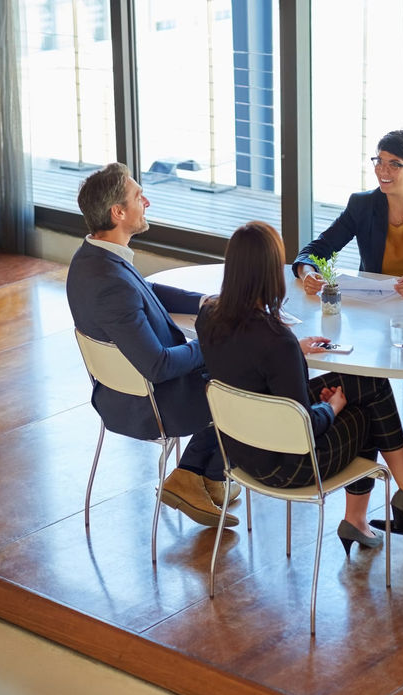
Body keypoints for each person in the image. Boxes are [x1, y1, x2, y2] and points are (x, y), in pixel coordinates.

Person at [196, 221, 403, 552]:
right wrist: (331, 408)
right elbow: (303, 429)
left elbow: (246, 368)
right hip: (290, 465)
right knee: (368, 404)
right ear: (271, 272)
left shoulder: (210, 316)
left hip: (241, 452)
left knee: (365, 382)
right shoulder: (276, 341)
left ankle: (368, 517)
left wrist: (297, 351)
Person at [67, 162, 239, 529]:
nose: (147, 200)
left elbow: (150, 293)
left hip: (118, 394)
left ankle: (209, 476)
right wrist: (215, 342)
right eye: (137, 196)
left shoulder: (93, 259)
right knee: (244, 374)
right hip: (152, 405)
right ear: (118, 212)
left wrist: (209, 302)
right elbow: (158, 366)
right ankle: (190, 475)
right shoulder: (110, 283)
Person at [290, 129, 403, 475]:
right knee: (361, 359)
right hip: (379, 302)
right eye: (379, 161)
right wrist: (307, 272)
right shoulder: (362, 204)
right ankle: (373, 437)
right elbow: (315, 250)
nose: (383, 170)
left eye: (394, 164)